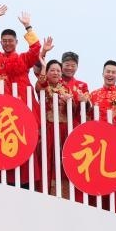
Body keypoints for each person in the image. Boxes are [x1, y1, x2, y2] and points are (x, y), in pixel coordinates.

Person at [86, 61, 116, 214]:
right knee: (97, 177)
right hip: (97, 143)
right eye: (108, 71)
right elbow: (86, 114)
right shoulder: (94, 94)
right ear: (103, 73)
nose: (110, 75)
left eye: (113, 72)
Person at [0, 4, 41, 101]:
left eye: (10, 41)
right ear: (1, 42)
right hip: (2, 102)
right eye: (4, 41)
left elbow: (36, 49)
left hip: (23, 101)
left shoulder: (24, 59)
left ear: (16, 42)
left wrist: (27, 26)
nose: (7, 43)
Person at [36, 55, 76, 198]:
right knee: (47, 160)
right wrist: (43, 63)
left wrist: (69, 103)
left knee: (63, 162)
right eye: (52, 70)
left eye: (58, 71)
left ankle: (62, 195)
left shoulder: (66, 88)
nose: (56, 73)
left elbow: (75, 111)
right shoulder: (44, 86)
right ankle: (45, 192)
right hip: (48, 130)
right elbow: (39, 84)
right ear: (46, 73)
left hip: (64, 131)